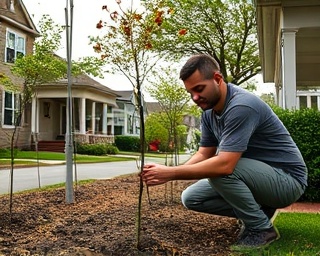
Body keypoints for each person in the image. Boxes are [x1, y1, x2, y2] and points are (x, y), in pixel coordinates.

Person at [141, 54, 307, 249]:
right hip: (259, 178)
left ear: (218, 79)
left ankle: (261, 229)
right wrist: (172, 173)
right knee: (192, 198)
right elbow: (204, 153)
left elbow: (225, 165)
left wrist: (170, 172)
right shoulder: (209, 113)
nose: (195, 97)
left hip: (287, 180)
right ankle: (260, 212)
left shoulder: (242, 106)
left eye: (199, 89)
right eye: (190, 92)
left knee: (220, 171)